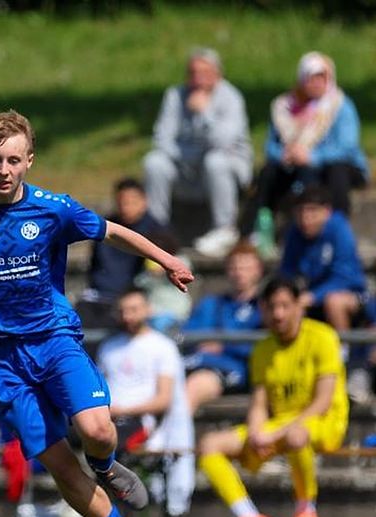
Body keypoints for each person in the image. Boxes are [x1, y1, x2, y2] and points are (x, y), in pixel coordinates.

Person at [0, 110, 194, 517]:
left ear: (29, 160)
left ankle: (105, 465)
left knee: (97, 429)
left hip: (53, 340)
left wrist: (166, 259)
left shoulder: (52, 208)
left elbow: (112, 232)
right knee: (57, 462)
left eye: (13, 160)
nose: (3, 170)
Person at [199, 276, 348, 517]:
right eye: (272, 307)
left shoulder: (323, 337)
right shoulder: (263, 349)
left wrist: (274, 434)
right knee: (210, 445)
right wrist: (257, 432)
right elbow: (259, 403)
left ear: (298, 306)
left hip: (323, 423)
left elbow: (322, 403)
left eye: (284, 305)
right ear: (264, 310)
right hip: (280, 425)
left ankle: (307, 514)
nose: (278, 314)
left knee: (295, 436)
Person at [143, 47, 252, 258]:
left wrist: (205, 112)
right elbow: (161, 139)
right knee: (154, 162)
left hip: (227, 171)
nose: (198, 78)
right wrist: (190, 156)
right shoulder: (175, 95)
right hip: (186, 167)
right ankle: (157, 229)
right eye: (193, 73)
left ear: (218, 74)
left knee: (215, 161)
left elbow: (222, 142)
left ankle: (224, 229)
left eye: (205, 73)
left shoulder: (231, 97)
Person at [98, 288, 195, 517]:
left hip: (145, 422)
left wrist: (123, 410)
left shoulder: (162, 347)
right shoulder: (109, 348)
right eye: (123, 311)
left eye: (134, 310)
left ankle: (114, 514)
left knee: (107, 444)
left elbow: (163, 400)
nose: (128, 316)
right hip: (109, 419)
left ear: (148, 310)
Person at [249, 52, 368, 223]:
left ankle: (338, 224)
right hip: (294, 162)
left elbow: (346, 147)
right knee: (269, 173)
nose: (316, 84)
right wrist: (284, 155)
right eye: (311, 78)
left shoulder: (340, 105)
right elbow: (270, 146)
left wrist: (312, 157)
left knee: (336, 171)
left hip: (336, 165)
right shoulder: (284, 106)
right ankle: (257, 228)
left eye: (321, 78)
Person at [76, 177, 169, 330]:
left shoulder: (158, 232)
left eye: (132, 202)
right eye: (122, 202)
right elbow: (95, 268)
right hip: (100, 298)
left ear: (144, 201)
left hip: (137, 299)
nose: (126, 207)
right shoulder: (107, 228)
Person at [182, 241, 264, 413]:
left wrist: (224, 345)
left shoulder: (264, 308)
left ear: (258, 270)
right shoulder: (210, 304)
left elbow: (261, 346)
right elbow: (187, 335)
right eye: (234, 267)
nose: (239, 273)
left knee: (194, 387)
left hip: (230, 370)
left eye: (246, 267)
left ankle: (169, 440)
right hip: (192, 363)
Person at [279, 184, 365, 336]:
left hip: (351, 294)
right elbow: (286, 271)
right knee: (282, 303)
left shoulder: (339, 229)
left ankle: (342, 352)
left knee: (333, 302)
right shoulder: (294, 232)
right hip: (310, 295)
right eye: (300, 211)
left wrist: (313, 296)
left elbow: (344, 277)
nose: (305, 218)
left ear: (326, 211)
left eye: (312, 210)